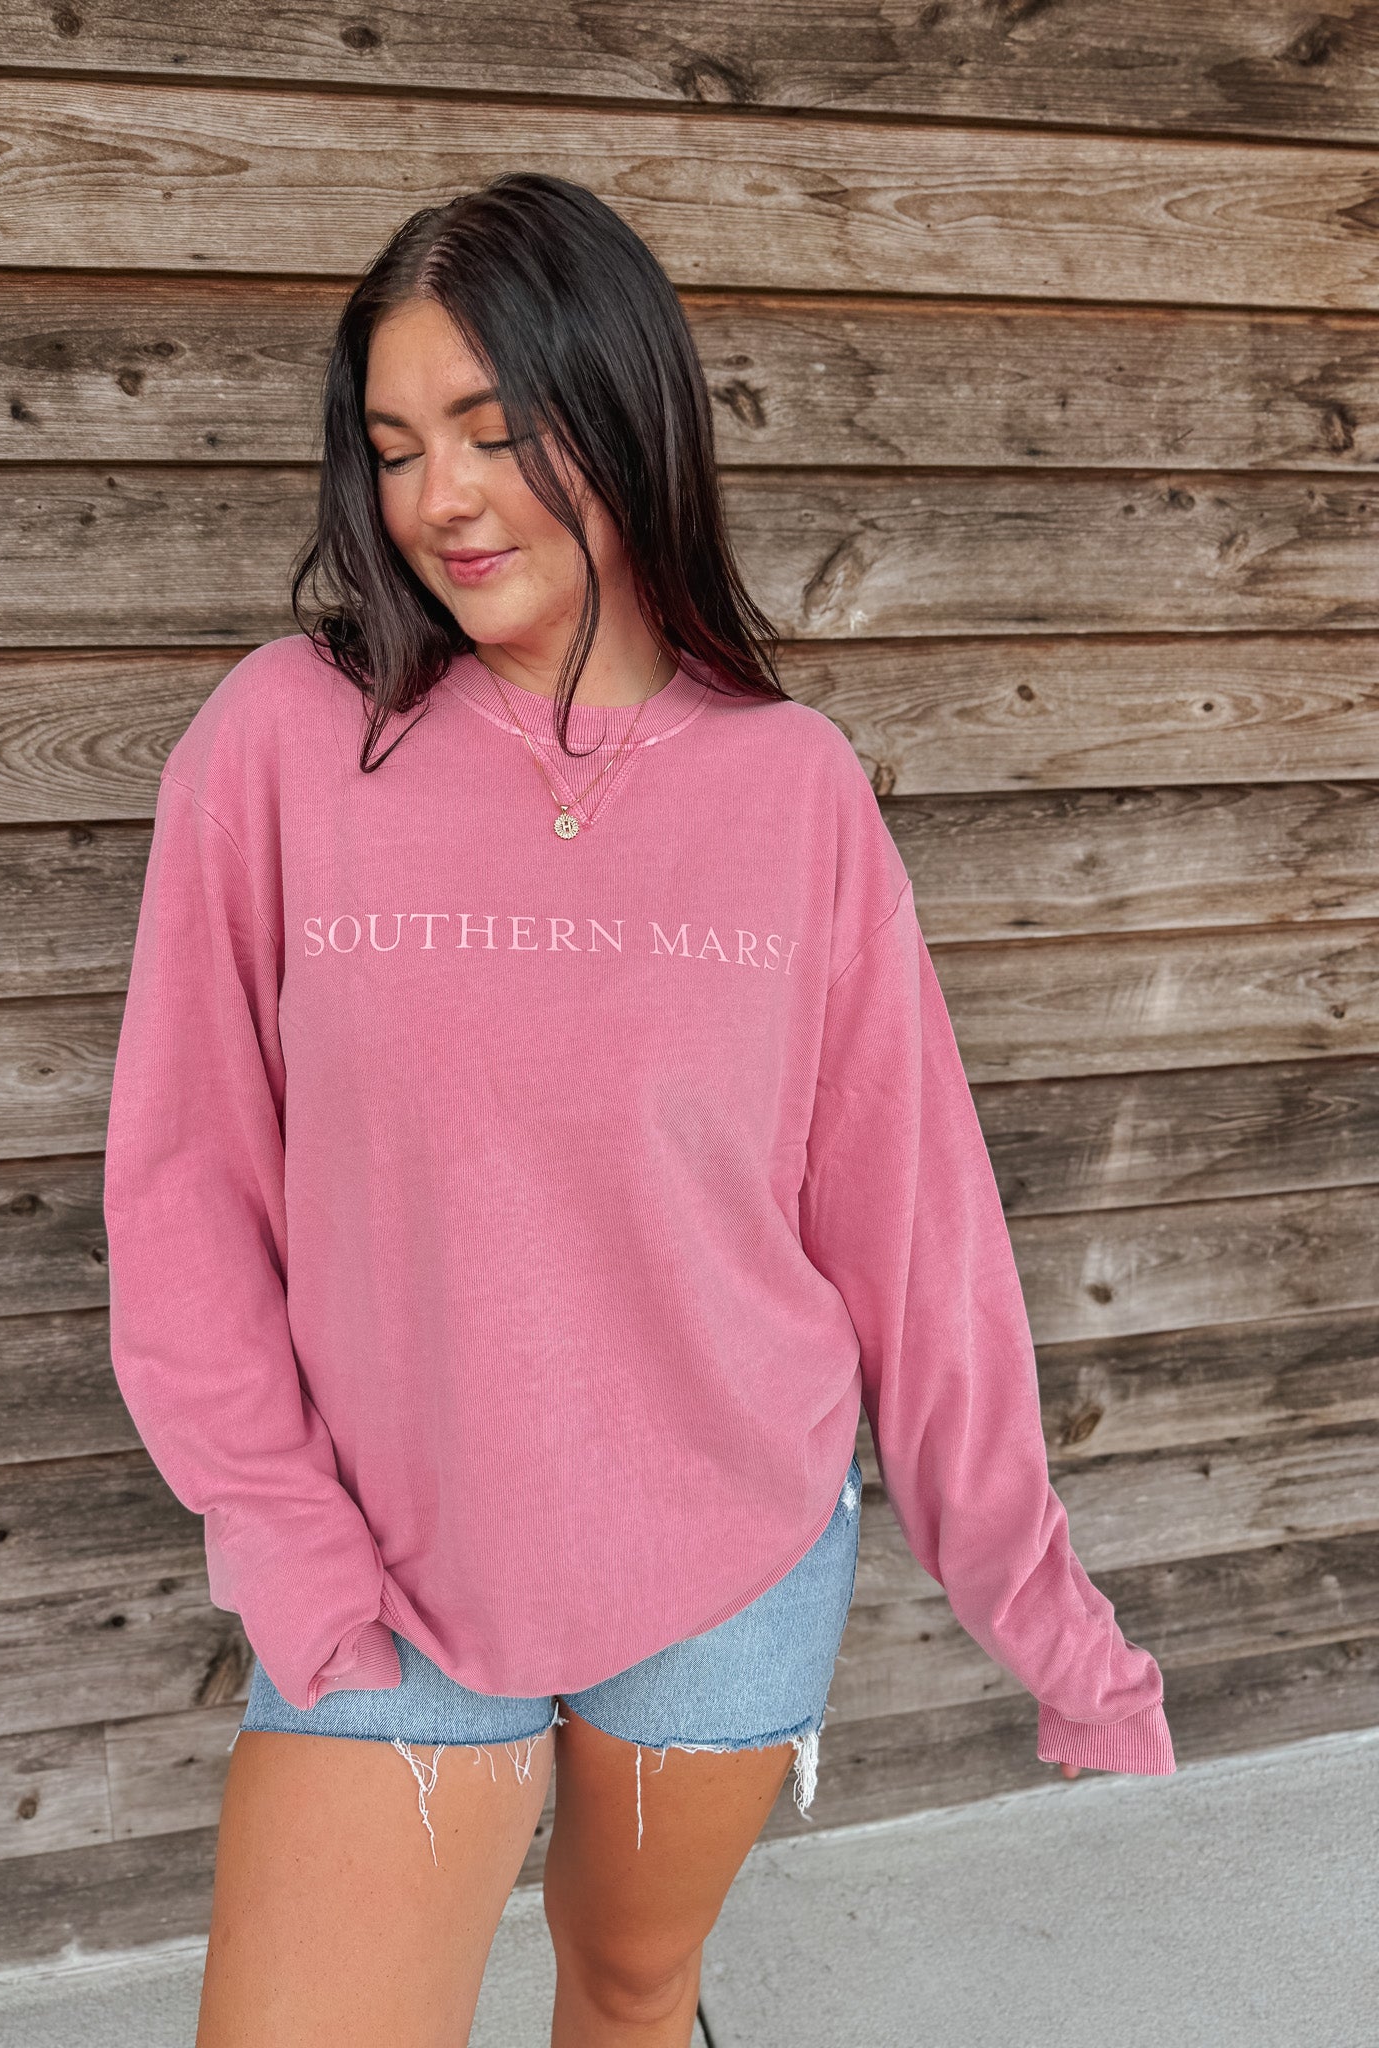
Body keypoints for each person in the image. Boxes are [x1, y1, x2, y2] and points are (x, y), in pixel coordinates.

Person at [102, 171, 1175, 2048]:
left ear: (623, 415)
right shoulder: (282, 739)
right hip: (384, 1566)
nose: (440, 499)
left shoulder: (795, 788)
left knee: (626, 1990)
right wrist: (288, 1547)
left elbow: (911, 1234)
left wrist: (1056, 1627)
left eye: (494, 433)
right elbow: (186, 1190)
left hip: (727, 1557)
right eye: (395, 448)